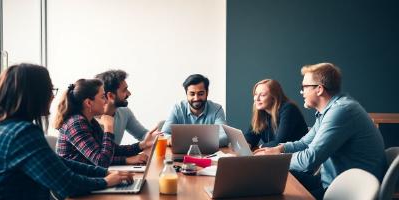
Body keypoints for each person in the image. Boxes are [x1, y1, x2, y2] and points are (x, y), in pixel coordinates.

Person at [0, 64, 134, 200]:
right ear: (34, 94)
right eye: (50, 90)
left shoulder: (9, 129)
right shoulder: (22, 134)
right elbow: (67, 184)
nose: (52, 96)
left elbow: (61, 162)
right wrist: (106, 181)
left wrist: (105, 173)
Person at [254, 63, 386, 200]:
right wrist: (279, 149)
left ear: (319, 89)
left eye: (304, 87)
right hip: (330, 181)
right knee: (274, 178)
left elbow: (310, 159)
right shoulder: (327, 112)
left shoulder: (341, 111)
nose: (301, 92)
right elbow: (305, 143)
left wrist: (276, 160)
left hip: (351, 191)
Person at [53, 78, 157, 168]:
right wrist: (108, 127)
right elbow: (101, 161)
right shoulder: (75, 124)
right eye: (103, 97)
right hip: (76, 187)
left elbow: (113, 150)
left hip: (88, 178)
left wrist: (142, 145)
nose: (106, 101)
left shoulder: (90, 121)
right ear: (89, 103)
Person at [161, 74, 228, 147]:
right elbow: (163, 134)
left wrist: (189, 143)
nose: (196, 98)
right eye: (192, 94)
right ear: (186, 94)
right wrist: (170, 140)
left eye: (201, 94)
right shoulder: (177, 109)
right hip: (182, 155)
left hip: (209, 155)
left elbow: (224, 137)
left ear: (207, 92)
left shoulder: (217, 109)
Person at [244, 79, 308, 149]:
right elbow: (251, 136)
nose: (257, 99)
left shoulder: (289, 109)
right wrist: (247, 145)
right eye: (255, 94)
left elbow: (280, 142)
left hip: (295, 155)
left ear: (274, 97)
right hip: (277, 155)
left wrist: (260, 147)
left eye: (262, 95)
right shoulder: (262, 113)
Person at [95, 70, 151, 145]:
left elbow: (142, 134)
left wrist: (156, 136)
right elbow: (100, 156)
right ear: (111, 96)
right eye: (124, 90)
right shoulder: (91, 120)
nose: (129, 94)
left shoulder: (124, 112)